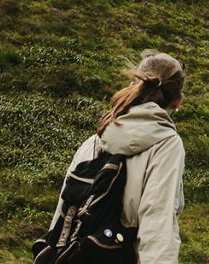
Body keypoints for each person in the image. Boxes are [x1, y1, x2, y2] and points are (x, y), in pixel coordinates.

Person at [48, 50, 187, 263]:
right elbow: (157, 224)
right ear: (178, 100)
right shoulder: (166, 144)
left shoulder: (98, 136)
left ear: (135, 86)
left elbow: (63, 214)